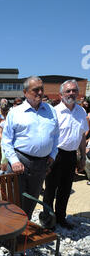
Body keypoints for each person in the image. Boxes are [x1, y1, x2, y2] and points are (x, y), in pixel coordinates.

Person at [1, 76, 59, 219]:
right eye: (35, 90)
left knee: (31, 201)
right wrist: (14, 161)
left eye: (41, 89)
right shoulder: (15, 112)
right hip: (19, 163)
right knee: (13, 202)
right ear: (25, 92)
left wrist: (52, 155)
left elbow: (56, 136)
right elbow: (6, 139)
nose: (40, 93)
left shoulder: (51, 111)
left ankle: (23, 234)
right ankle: (8, 237)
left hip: (41, 164)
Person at [40, 80, 88, 229]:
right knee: (50, 189)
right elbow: (47, 136)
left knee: (65, 189)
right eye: (68, 91)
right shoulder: (54, 112)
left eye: (74, 90)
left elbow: (81, 136)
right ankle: (48, 218)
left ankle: (61, 217)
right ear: (61, 95)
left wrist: (82, 156)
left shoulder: (81, 112)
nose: (71, 93)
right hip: (55, 155)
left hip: (71, 155)